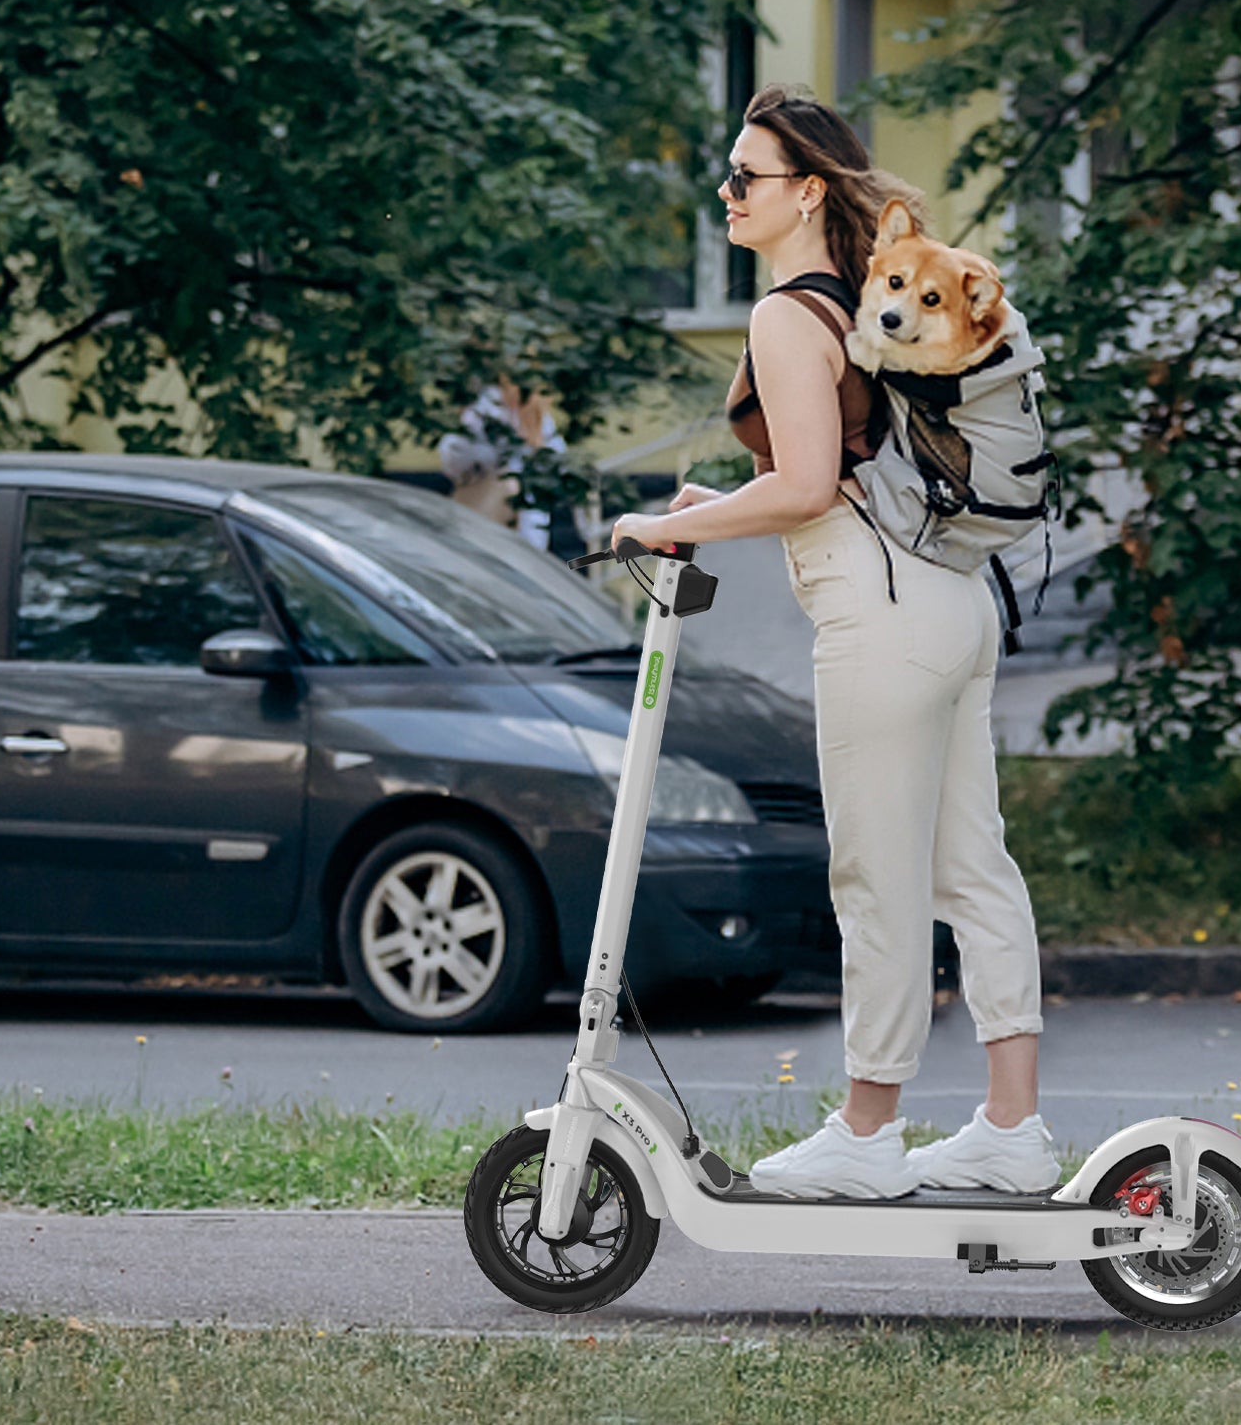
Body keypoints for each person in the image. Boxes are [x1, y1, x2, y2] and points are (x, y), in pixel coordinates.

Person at [609, 85, 1059, 1200]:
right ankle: (1013, 1127)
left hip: (881, 615)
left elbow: (809, 486)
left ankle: (867, 1132)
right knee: (973, 866)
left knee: (875, 875)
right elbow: (839, 470)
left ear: (807, 190)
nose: (725, 192)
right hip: (953, 603)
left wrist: (661, 526)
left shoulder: (786, 315)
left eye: (744, 176)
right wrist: (722, 503)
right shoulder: (856, 297)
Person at [440, 375, 569, 551]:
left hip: (523, 517)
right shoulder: (485, 406)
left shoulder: (534, 413)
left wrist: (535, 445)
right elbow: (456, 458)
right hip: (488, 507)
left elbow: (557, 460)